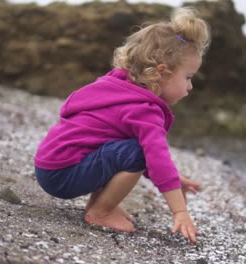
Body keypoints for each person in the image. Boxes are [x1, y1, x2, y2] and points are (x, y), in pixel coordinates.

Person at [34, 6, 210, 245]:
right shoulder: (144, 110)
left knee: (126, 148)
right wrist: (180, 211)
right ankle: (101, 212)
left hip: (50, 166)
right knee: (135, 152)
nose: (190, 87)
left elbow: (117, 146)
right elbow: (154, 155)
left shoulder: (116, 87)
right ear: (161, 73)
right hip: (64, 175)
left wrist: (174, 178)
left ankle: (99, 204)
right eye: (188, 77)